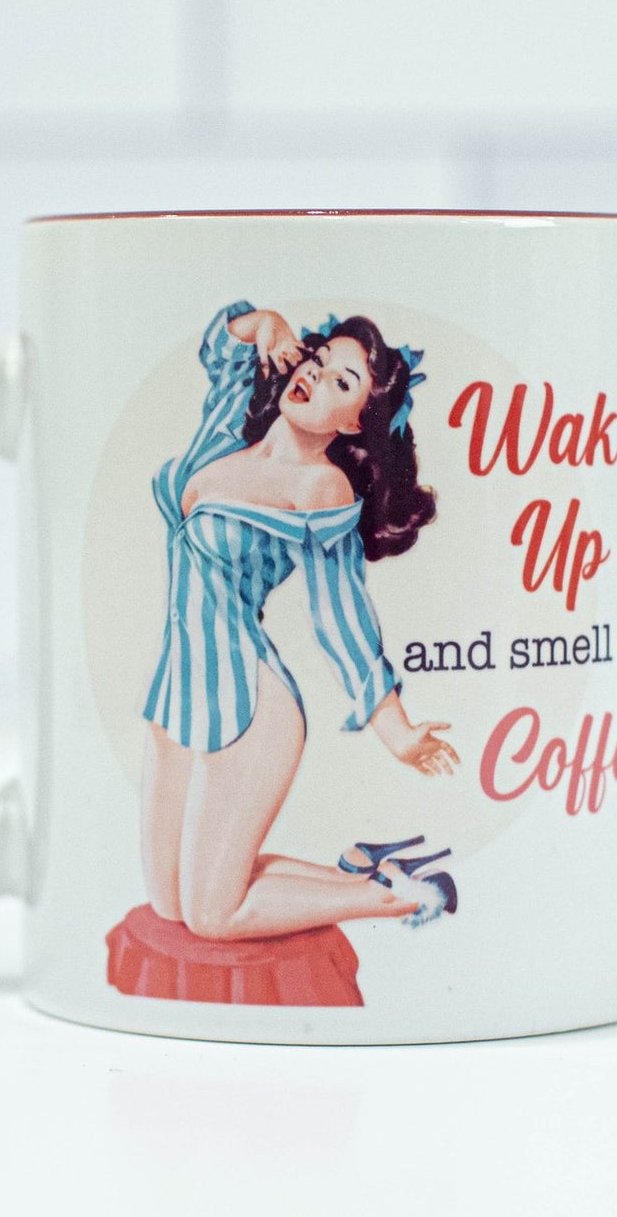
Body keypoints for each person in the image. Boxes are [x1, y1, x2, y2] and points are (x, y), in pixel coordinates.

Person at [140, 300, 460, 941]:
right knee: (168, 905)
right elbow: (220, 349)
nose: (315, 374)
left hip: (248, 706)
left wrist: (395, 728)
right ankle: (374, 871)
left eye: (343, 382)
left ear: (353, 424)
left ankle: (402, 897)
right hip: (177, 692)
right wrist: (262, 323)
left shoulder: (319, 490)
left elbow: (341, 614)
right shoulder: (230, 426)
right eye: (319, 358)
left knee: (211, 915)